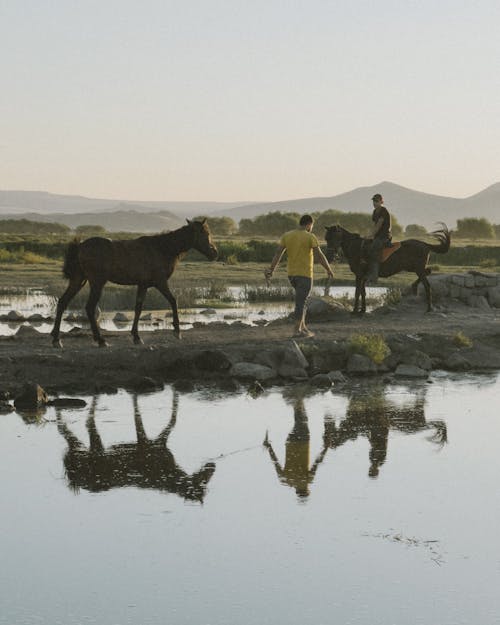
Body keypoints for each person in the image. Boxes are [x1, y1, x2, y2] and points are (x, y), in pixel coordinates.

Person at [265, 214, 334, 338]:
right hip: (305, 274)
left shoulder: (287, 235)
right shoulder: (310, 237)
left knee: (303, 301)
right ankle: (297, 331)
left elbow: (278, 253)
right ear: (309, 224)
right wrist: (328, 269)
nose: (311, 227)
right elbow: (319, 255)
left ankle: (303, 328)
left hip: (292, 275)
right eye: (311, 225)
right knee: (301, 302)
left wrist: (271, 269)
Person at [365, 193, 392, 284]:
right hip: (377, 236)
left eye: (376, 201)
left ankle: (374, 277)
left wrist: (371, 235)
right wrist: (368, 234)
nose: (375, 203)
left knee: (372, 250)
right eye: (374, 201)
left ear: (381, 201)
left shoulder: (383, 211)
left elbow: (378, 226)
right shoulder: (375, 212)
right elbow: (374, 226)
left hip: (384, 237)